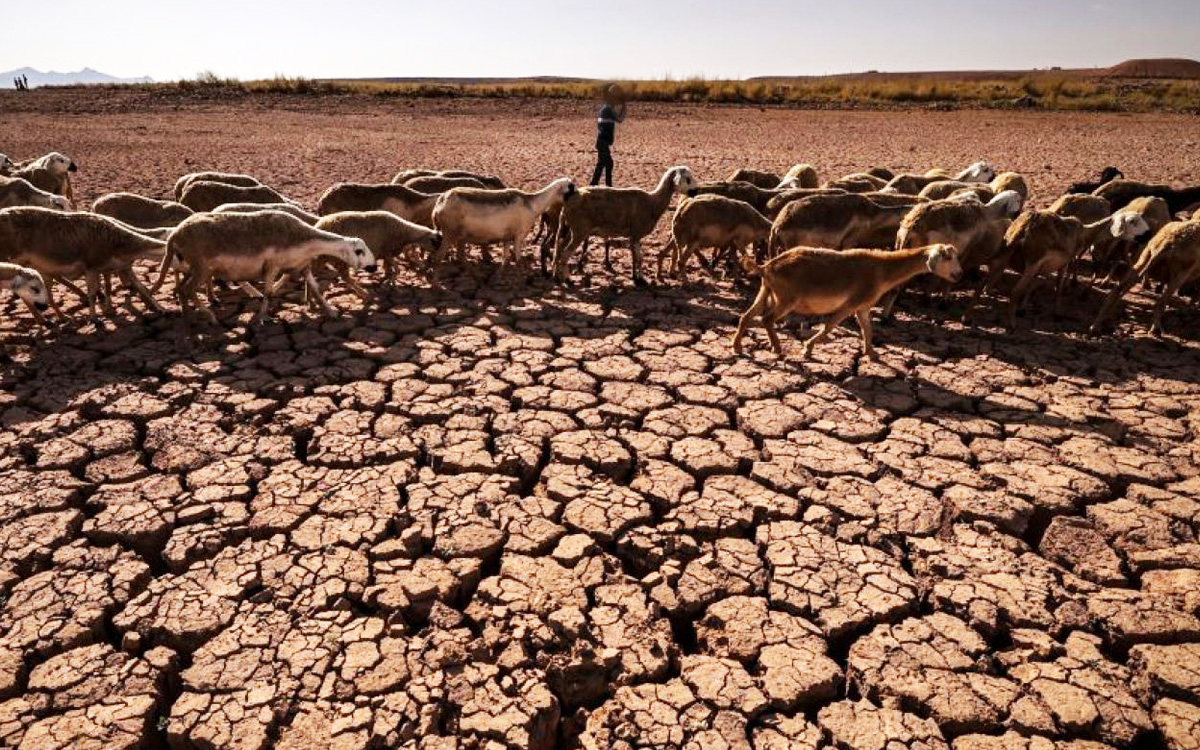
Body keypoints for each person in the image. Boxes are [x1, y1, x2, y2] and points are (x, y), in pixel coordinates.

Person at [591, 84, 627, 187]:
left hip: (602, 142)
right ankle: (607, 186)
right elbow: (620, 119)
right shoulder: (608, 109)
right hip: (603, 142)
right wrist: (624, 107)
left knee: (602, 164)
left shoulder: (606, 108)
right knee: (608, 164)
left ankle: (595, 185)